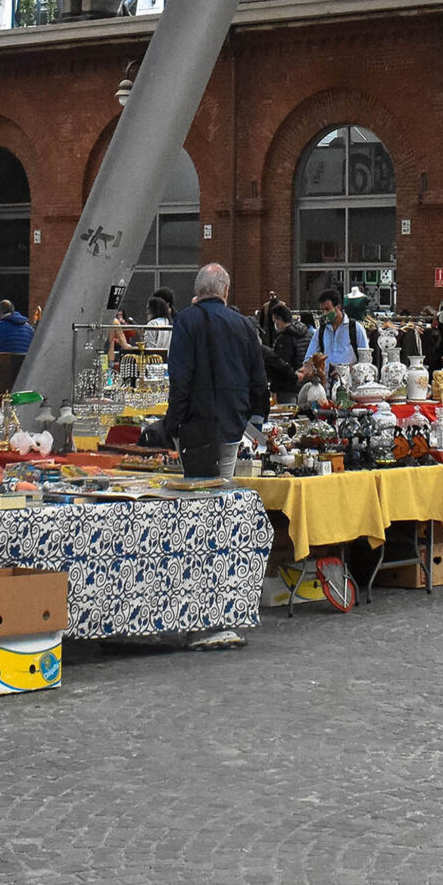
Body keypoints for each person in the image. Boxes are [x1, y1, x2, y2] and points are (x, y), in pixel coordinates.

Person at [163, 265, 268, 651]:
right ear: (224, 289)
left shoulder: (187, 321)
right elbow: (259, 379)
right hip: (231, 427)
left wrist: (172, 425)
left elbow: (181, 377)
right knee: (222, 506)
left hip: (196, 429)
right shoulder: (243, 325)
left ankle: (202, 612)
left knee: (198, 516)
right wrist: (255, 423)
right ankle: (221, 610)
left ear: (197, 292)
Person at [305, 291, 367, 376]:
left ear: (337, 307)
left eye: (327, 309)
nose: (324, 313)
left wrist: (346, 369)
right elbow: (309, 356)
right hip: (326, 383)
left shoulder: (356, 329)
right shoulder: (320, 331)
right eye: (322, 310)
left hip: (350, 382)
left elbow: (365, 360)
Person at [260, 301, 307, 403]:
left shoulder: (284, 338)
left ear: (279, 320)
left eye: (274, 321)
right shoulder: (305, 334)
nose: (274, 325)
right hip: (303, 384)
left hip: (287, 387)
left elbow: (280, 366)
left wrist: (274, 387)